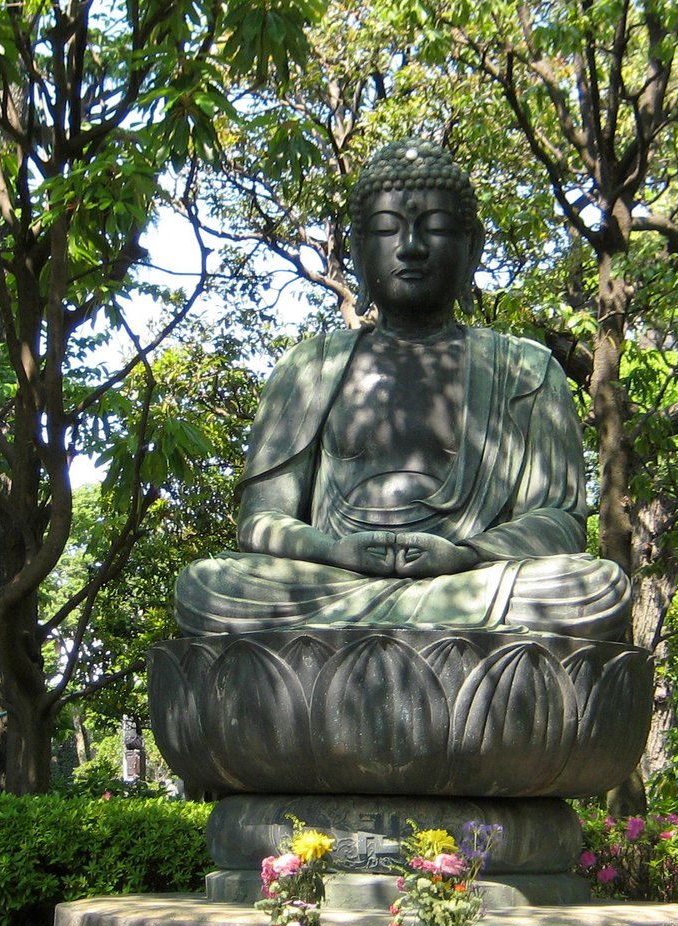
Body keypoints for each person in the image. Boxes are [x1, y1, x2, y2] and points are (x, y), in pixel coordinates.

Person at [174, 140, 631, 640]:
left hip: (469, 585)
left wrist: (465, 555)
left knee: (593, 585)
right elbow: (261, 521)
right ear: (357, 248)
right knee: (209, 585)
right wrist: (333, 551)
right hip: (332, 582)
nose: (410, 246)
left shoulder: (525, 369)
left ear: (472, 246)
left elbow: (560, 525)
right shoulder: (310, 365)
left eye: (434, 228)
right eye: (388, 229)